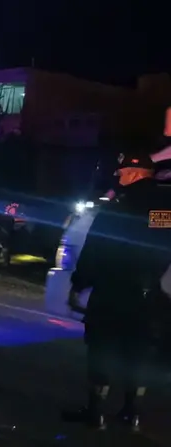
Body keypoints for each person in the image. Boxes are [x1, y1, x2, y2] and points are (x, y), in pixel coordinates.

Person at [65, 151, 171, 431]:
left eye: (122, 173)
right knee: (137, 352)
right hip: (150, 292)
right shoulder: (165, 206)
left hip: (113, 290)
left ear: (135, 174)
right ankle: (131, 413)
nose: (119, 178)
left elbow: (96, 248)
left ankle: (96, 413)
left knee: (101, 348)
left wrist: (79, 283)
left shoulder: (119, 205)